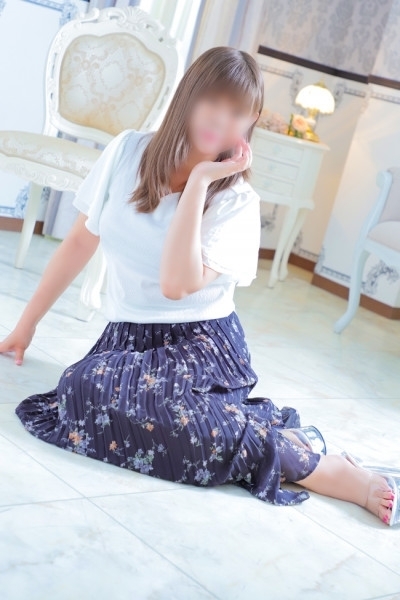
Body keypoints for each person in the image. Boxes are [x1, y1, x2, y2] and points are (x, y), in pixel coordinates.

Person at [0, 47, 397, 526]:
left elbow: (176, 285)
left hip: (202, 345)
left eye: (237, 112)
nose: (221, 120)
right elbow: (81, 241)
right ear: (189, 94)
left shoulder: (238, 201)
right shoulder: (127, 151)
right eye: (212, 101)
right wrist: (26, 325)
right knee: (81, 390)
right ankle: (276, 436)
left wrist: (200, 182)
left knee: (118, 398)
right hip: (129, 338)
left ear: (250, 123)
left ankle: (322, 469)